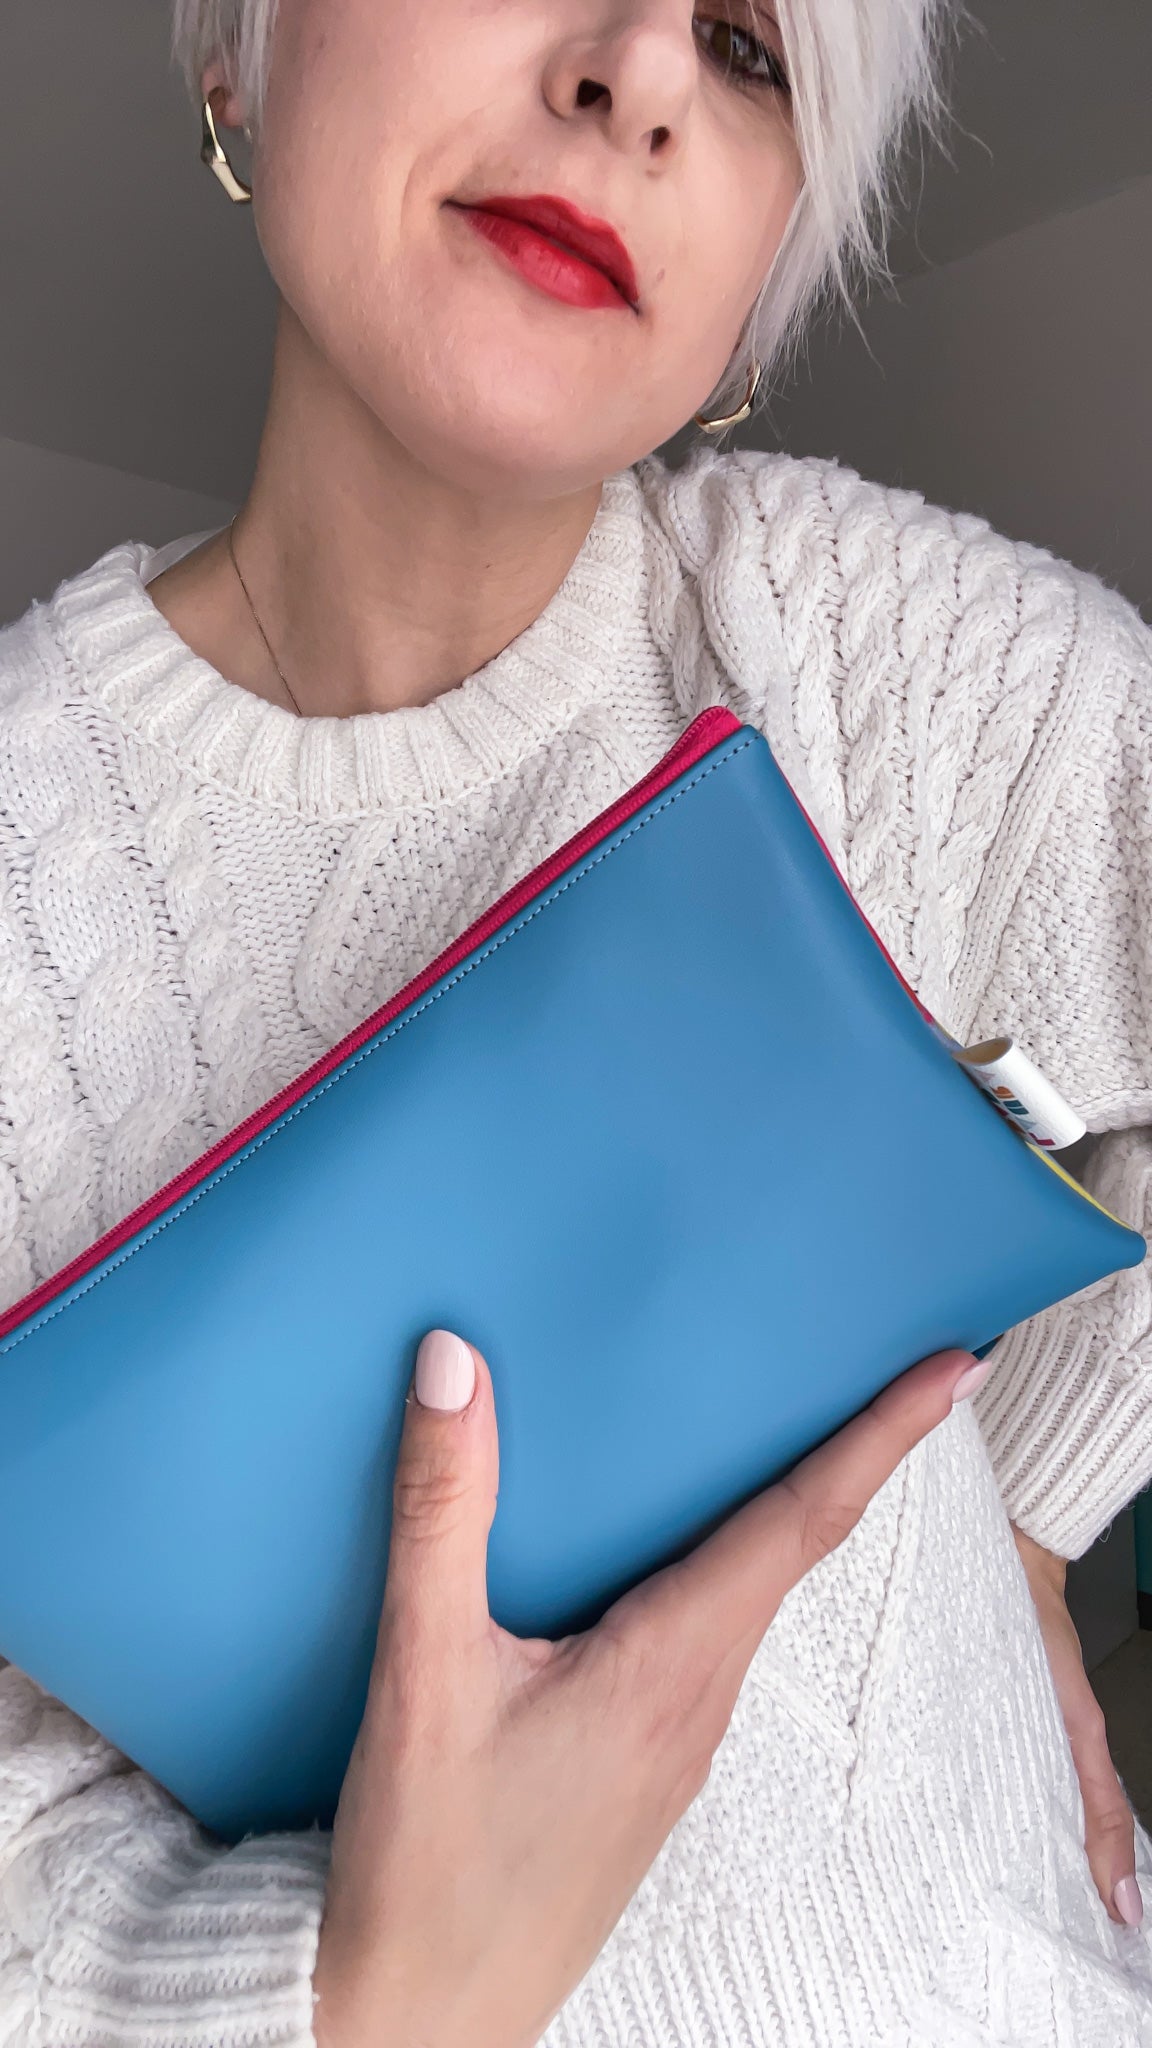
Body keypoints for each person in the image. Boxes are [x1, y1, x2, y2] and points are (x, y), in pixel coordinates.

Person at [1, 0, 1151, 2040]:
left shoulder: (871, 651)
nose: (637, 77)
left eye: (751, 49)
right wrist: (371, 1990)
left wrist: (1040, 1511)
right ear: (234, 59)